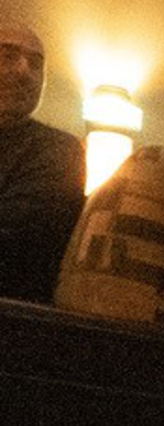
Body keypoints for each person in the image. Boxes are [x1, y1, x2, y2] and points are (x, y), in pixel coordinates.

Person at [0, 20, 85, 305]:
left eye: (36, 63)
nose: (25, 71)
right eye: (7, 55)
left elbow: (18, 245)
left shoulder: (58, 151)